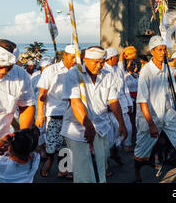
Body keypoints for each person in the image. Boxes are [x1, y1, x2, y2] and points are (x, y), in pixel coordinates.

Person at [134, 36, 176, 182]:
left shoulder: (168, 68)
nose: (163, 52)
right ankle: (137, 175)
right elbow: (142, 100)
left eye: (164, 49)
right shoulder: (146, 71)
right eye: (160, 50)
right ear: (152, 51)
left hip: (168, 111)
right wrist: (151, 124)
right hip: (150, 115)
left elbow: (175, 92)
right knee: (141, 149)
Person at [61, 46, 127, 183]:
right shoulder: (74, 74)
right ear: (85, 59)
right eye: (95, 62)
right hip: (78, 129)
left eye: (102, 61)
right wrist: (87, 125)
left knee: (101, 166)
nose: (99, 65)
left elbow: (113, 100)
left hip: (101, 127)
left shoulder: (107, 75)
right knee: (85, 172)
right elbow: (75, 102)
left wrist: (121, 123)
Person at [35, 45, 75, 178]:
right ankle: (49, 162)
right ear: (64, 55)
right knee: (52, 144)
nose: (75, 60)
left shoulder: (77, 71)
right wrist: (40, 114)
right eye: (72, 57)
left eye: (77, 57)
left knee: (68, 142)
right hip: (54, 113)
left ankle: (64, 169)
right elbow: (42, 93)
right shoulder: (51, 70)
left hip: (71, 113)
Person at [0, 39, 35, 140]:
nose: (3, 72)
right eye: (0, 67)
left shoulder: (21, 75)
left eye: (8, 67)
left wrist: (23, 135)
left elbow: (27, 106)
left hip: (5, 138)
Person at [104, 47, 134, 161]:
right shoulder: (103, 70)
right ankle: (110, 154)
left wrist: (129, 103)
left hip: (123, 105)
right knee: (112, 134)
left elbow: (125, 88)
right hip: (111, 107)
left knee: (128, 129)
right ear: (111, 58)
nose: (118, 59)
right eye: (116, 57)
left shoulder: (119, 70)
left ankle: (116, 149)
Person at [30, 58, 52, 161]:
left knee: (50, 130)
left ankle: (50, 150)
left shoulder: (55, 77)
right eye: (43, 68)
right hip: (39, 108)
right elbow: (31, 94)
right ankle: (42, 150)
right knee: (40, 129)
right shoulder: (35, 78)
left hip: (52, 108)